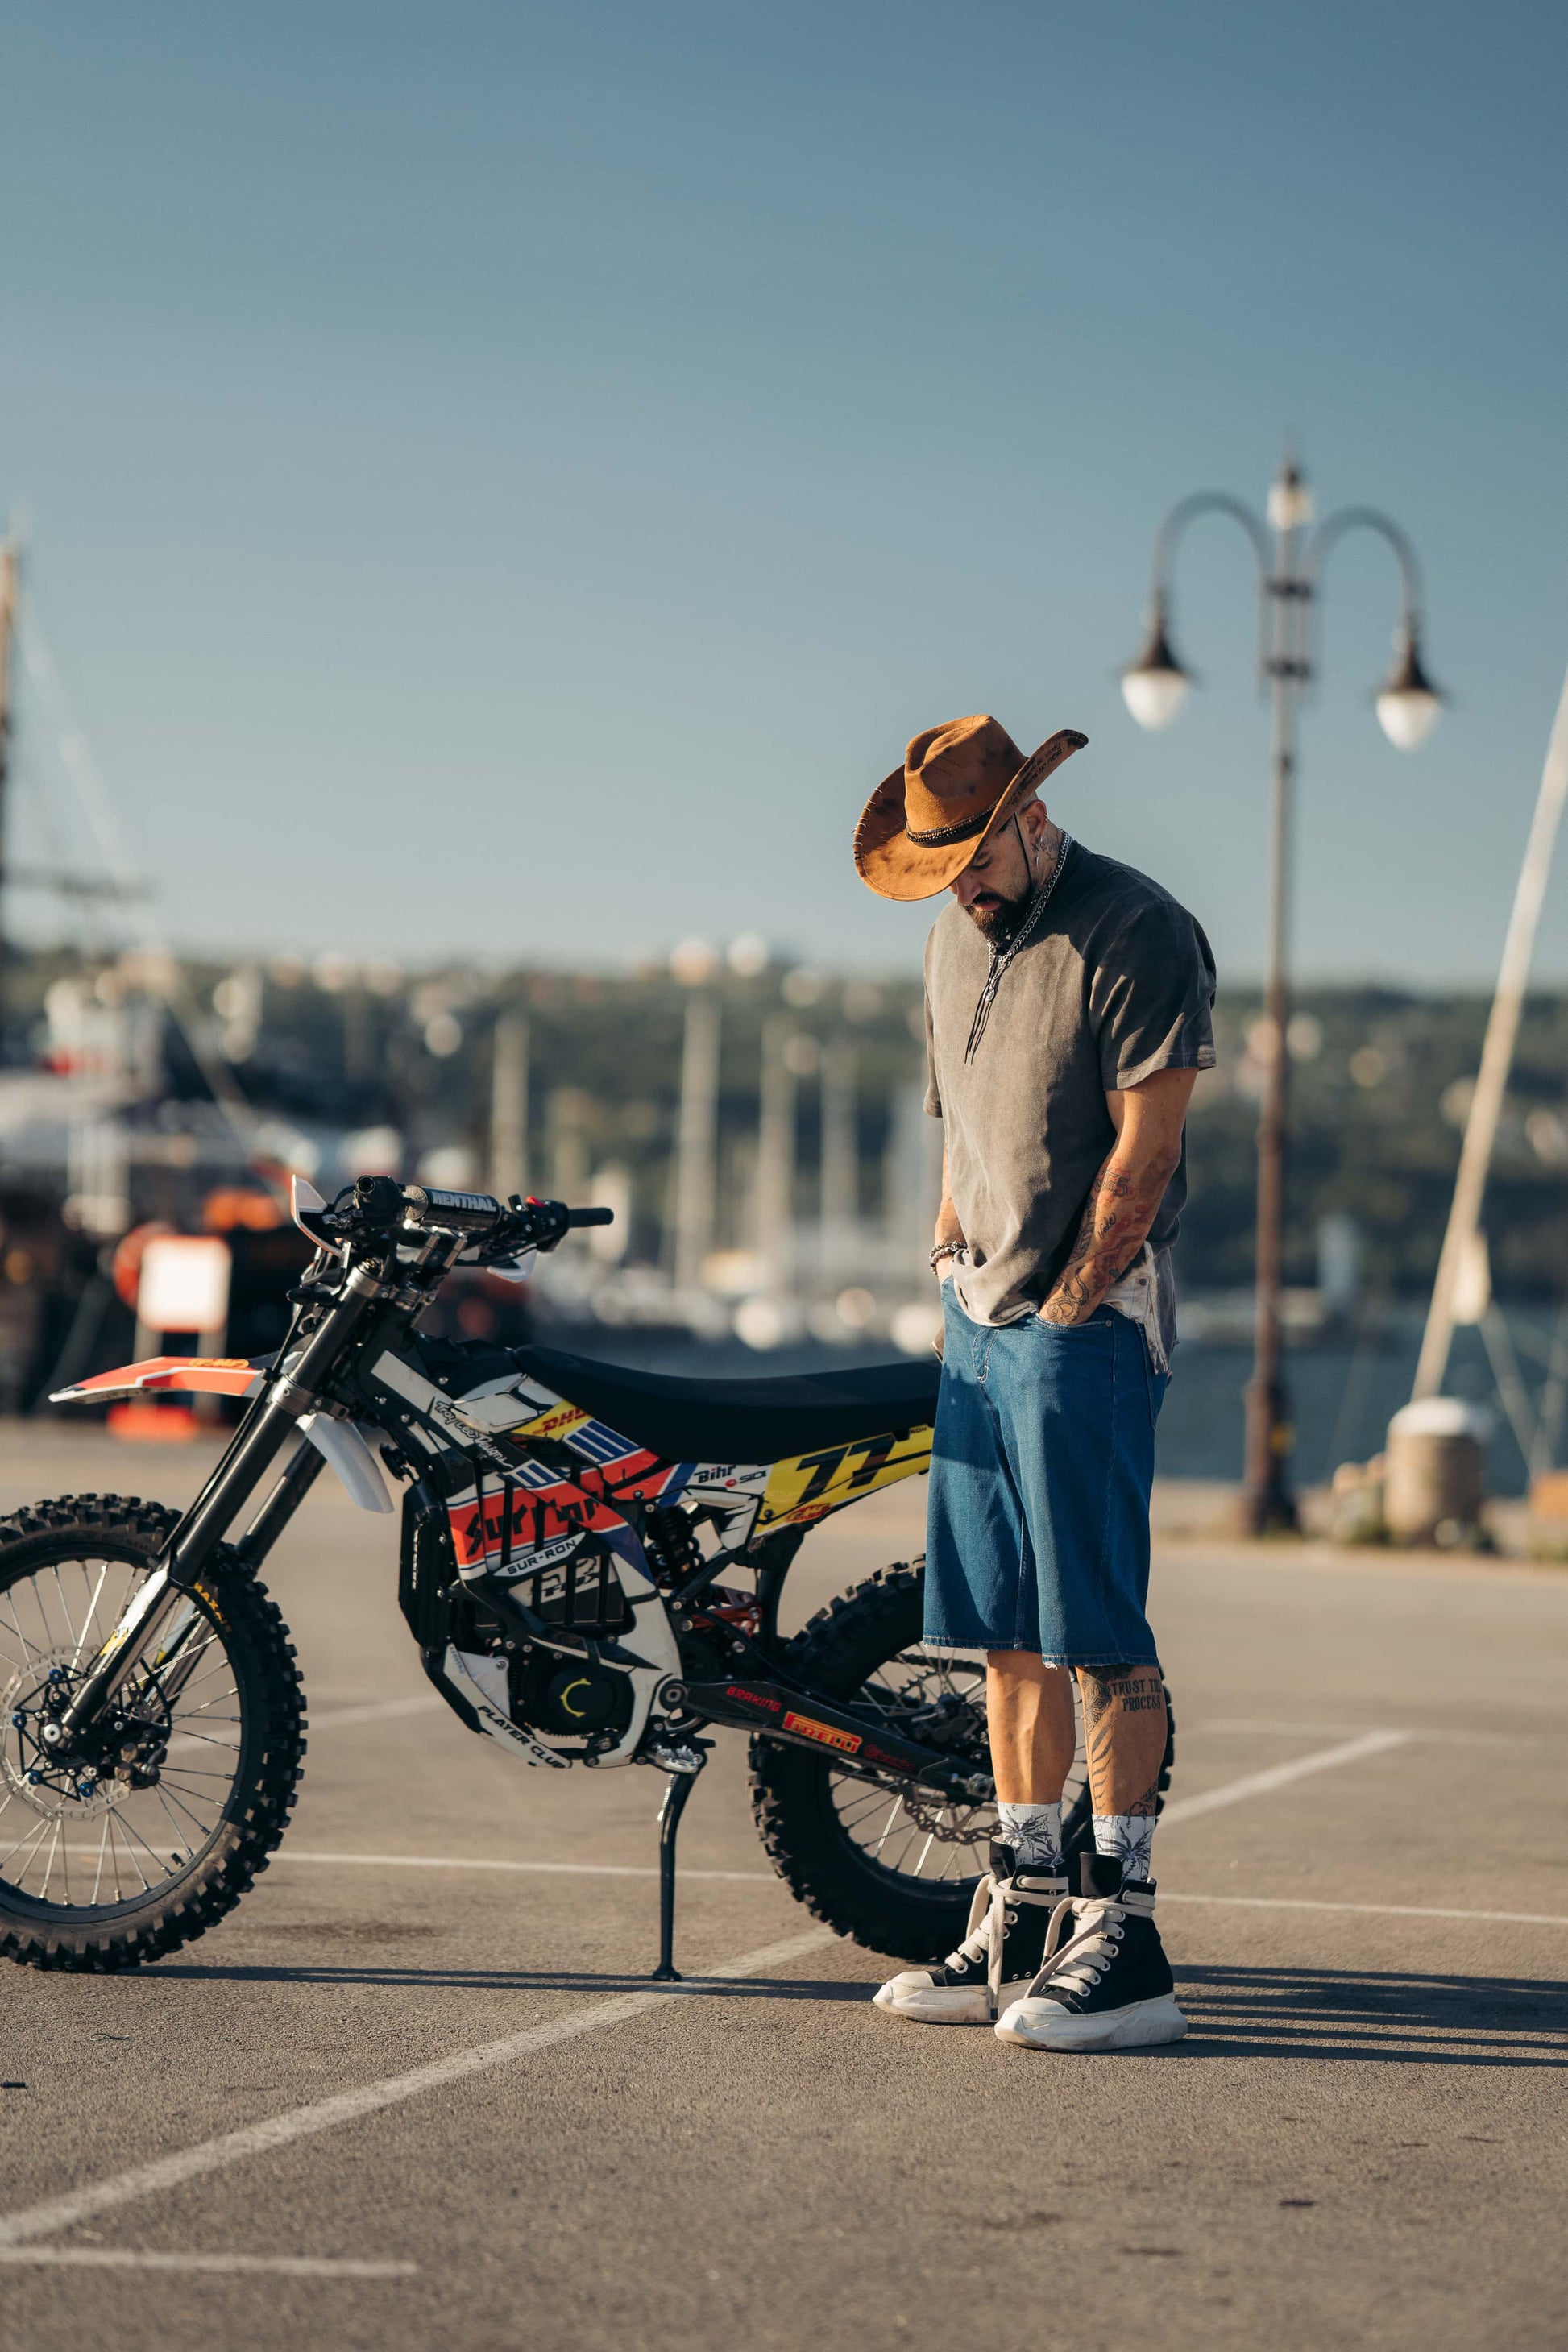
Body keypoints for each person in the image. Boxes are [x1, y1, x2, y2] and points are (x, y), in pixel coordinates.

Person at [853, 714, 1215, 2053]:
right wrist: (952, 1246)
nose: (959, 882)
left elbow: (1144, 1155)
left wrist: (1065, 1307)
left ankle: (1124, 1938)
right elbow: (958, 1110)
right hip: (978, 1324)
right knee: (1003, 1631)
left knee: (1098, 1631)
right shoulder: (954, 937)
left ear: (1032, 815)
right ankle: (1019, 1904)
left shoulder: (1138, 928)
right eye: (936, 862)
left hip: (1086, 1327)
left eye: (972, 852)